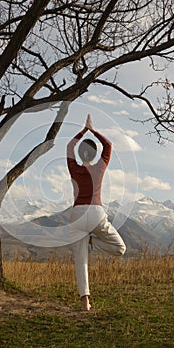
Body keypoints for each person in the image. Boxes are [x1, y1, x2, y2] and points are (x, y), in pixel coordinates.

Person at [67, 114, 126, 311]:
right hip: (95, 213)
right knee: (120, 249)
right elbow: (108, 146)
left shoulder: (74, 168)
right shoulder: (100, 167)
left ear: (81, 154)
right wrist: (93, 130)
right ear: (93, 155)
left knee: (80, 260)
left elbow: (69, 147)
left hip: (77, 215)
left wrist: (83, 131)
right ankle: (94, 241)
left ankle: (85, 301)